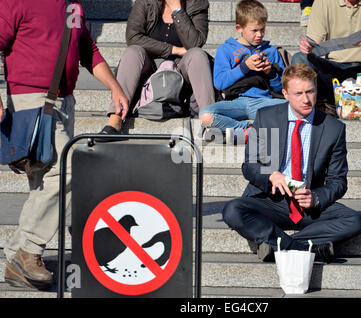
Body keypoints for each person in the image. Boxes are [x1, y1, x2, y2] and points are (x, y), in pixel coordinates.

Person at [0, 0, 128, 289]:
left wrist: (115, 86)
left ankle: (16, 260)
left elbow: (87, 50)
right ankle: (29, 250)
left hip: (63, 103)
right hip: (30, 101)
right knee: (71, 169)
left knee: (46, 183)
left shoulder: (73, 6)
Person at [221, 63, 361, 263]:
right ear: (286, 94)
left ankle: (279, 246)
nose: (306, 99)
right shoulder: (266, 117)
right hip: (270, 199)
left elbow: (338, 181)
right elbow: (250, 164)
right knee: (233, 210)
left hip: (308, 203)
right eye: (298, 93)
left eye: (310, 91)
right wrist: (271, 175)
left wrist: (316, 197)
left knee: (353, 220)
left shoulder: (333, 128)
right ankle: (304, 248)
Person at [291, 0, 361, 148]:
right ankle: (306, 119)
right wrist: (307, 45)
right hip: (333, 71)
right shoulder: (322, 2)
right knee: (299, 59)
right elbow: (314, 41)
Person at [99, 0, 215, 135]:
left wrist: (177, 10)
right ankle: (116, 117)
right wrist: (173, 49)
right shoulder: (146, 2)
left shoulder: (198, 4)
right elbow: (133, 37)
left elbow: (194, 43)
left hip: (181, 75)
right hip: (148, 73)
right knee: (133, 52)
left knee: (197, 54)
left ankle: (210, 122)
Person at [198, 0, 286, 144]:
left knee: (293, 109)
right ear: (239, 28)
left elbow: (283, 88)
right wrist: (244, 67)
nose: (259, 34)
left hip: (263, 102)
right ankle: (247, 129)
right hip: (234, 102)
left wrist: (271, 73)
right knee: (206, 115)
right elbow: (220, 82)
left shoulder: (271, 51)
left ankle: (231, 133)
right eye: (254, 30)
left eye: (262, 29)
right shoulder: (225, 50)